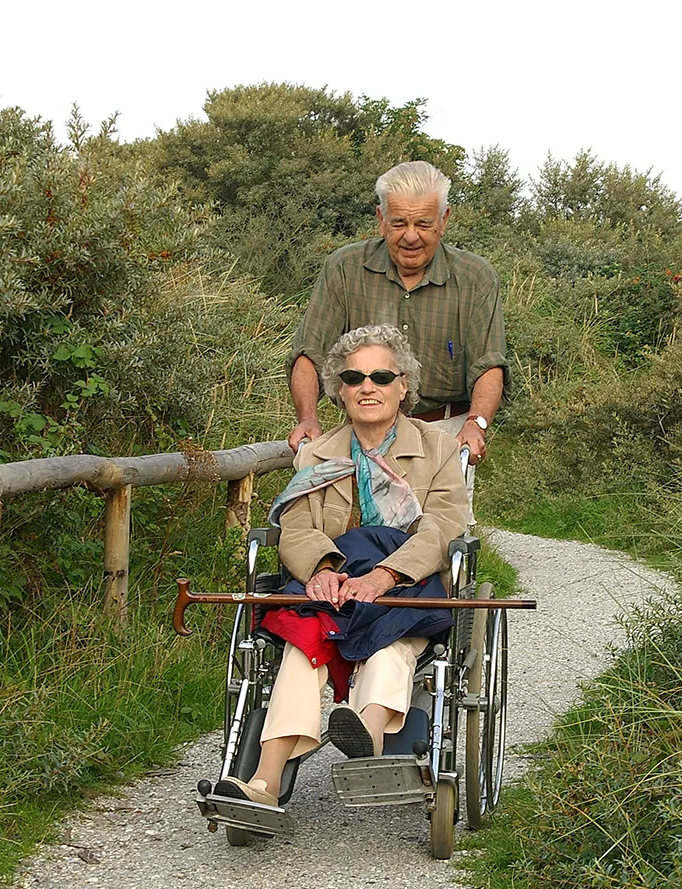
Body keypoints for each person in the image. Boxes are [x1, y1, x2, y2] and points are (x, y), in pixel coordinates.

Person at [216, 324, 469, 808]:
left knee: (391, 642)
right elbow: (296, 526)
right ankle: (263, 786)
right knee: (299, 645)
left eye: (380, 376)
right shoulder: (318, 453)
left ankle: (366, 737)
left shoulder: (438, 449)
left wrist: (385, 576)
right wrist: (322, 568)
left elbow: (443, 527)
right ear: (339, 389)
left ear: (403, 387)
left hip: (403, 580)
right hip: (333, 581)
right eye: (354, 377)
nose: (367, 387)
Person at [287, 161, 508, 468]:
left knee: (441, 517)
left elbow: (489, 364)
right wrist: (308, 418)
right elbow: (309, 353)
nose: (411, 236)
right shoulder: (344, 268)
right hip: (360, 433)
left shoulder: (476, 278)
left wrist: (477, 423)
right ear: (381, 219)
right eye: (400, 223)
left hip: (445, 436)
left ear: (444, 220)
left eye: (423, 224)